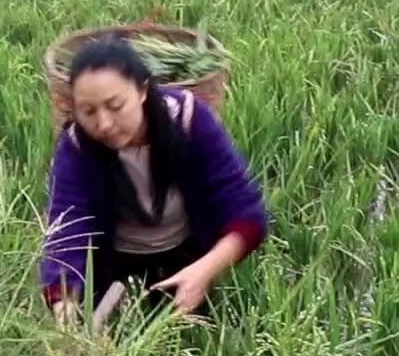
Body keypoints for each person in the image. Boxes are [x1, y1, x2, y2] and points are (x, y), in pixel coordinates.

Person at [41, 37, 268, 323]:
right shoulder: (77, 146)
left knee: (195, 340)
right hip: (115, 262)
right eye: (88, 111)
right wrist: (65, 307)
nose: (104, 124)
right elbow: (68, 228)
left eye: (115, 105)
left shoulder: (188, 120)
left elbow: (245, 214)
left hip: (187, 255)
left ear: (143, 91)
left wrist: (204, 271)